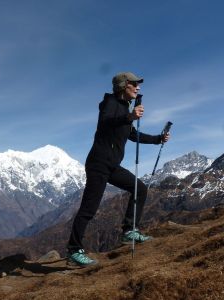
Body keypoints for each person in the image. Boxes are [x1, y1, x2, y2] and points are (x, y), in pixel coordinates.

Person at [67, 72, 170, 266]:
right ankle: (74, 250)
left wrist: (158, 139)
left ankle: (129, 230)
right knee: (89, 209)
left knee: (139, 187)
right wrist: (129, 116)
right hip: (98, 164)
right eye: (135, 84)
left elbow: (133, 135)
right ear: (124, 86)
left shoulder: (124, 109)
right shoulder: (109, 103)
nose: (138, 87)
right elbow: (106, 122)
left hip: (112, 165)